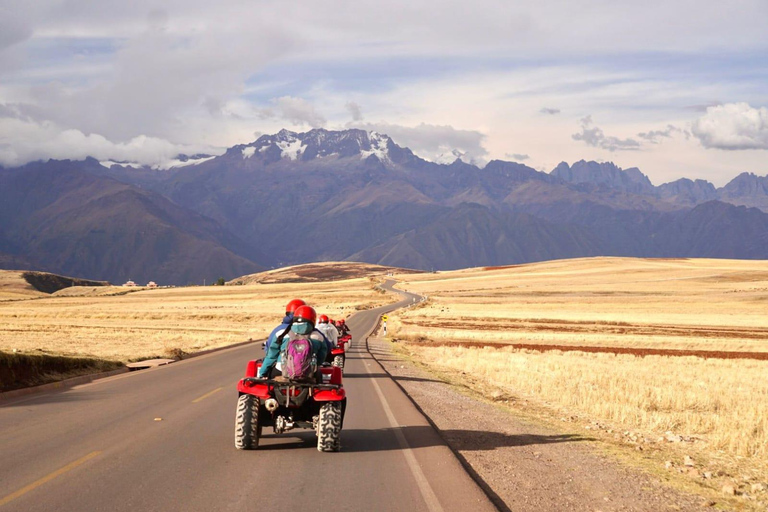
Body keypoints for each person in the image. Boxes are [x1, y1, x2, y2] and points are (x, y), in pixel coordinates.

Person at [258, 305, 329, 379]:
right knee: (319, 376)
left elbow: (271, 356)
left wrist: (262, 373)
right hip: (309, 375)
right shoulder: (318, 337)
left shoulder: (282, 333)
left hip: (281, 370)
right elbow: (321, 357)